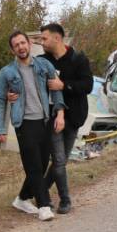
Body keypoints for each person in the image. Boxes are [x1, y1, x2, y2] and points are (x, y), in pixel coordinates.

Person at [0, 31, 65, 221]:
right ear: (12, 50)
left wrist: (59, 113)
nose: (21, 47)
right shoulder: (7, 72)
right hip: (23, 123)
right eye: (16, 45)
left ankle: (22, 198)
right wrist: (0, 129)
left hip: (43, 120)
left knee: (41, 165)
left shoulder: (43, 65)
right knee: (32, 165)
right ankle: (43, 206)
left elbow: (56, 89)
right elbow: (0, 100)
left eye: (23, 43)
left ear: (28, 44)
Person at [39, 23, 93, 214]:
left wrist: (64, 85)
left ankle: (41, 192)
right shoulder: (42, 61)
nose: (41, 42)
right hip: (53, 117)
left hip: (75, 117)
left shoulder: (78, 59)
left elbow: (87, 86)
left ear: (57, 38)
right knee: (59, 160)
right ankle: (65, 200)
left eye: (44, 38)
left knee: (61, 162)